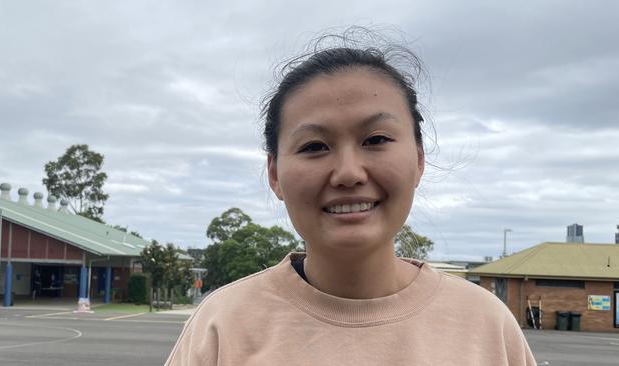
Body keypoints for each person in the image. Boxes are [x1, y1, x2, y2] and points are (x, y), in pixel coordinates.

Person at [165, 29, 537, 366]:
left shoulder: (486, 324)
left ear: (420, 160)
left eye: (376, 140)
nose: (348, 173)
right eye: (314, 146)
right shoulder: (222, 326)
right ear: (275, 174)